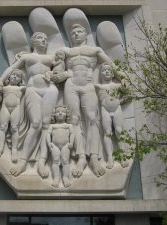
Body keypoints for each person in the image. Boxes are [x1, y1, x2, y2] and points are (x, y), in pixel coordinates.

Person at [51, 24, 121, 177]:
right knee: (74, 120)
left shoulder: (95, 50)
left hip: (88, 84)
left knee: (91, 118)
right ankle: (81, 157)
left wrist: (124, 78)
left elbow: (110, 65)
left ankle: (94, 158)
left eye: (79, 31)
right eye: (73, 33)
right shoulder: (66, 51)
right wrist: (63, 74)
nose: (76, 34)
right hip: (71, 85)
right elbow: (57, 69)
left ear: (85, 34)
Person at [0, 32, 59, 177]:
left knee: (46, 125)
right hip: (33, 89)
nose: (44, 40)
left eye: (45, 38)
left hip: (49, 89)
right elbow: (11, 69)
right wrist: (1, 82)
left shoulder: (51, 58)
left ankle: (42, 162)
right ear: (33, 41)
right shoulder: (26, 56)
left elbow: (61, 70)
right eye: (40, 38)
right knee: (36, 123)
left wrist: (54, 74)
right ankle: (23, 161)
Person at [95, 62, 128, 168]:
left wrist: (122, 79)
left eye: (109, 70)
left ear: (113, 74)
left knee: (119, 131)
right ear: (100, 74)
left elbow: (127, 89)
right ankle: (110, 158)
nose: (107, 71)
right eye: (104, 70)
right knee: (107, 132)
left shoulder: (117, 85)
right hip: (105, 109)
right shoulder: (99, 86)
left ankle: (123, 156)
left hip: (117, 108)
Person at [0, 69, 26, 163]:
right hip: (5, 108)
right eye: (13, 75)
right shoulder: (4, 88)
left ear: (20, 80)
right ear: (9, 76)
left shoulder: (21, 88)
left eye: (18, 76)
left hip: (16, 109)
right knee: (2, 127)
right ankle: (0, 148)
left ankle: (14, 150)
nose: (15, 77)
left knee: (15, 128)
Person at [46, 105, 74, 188]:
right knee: (55, 161)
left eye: (63, 112)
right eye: (58, 112)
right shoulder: (52, 126)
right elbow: (48, 134)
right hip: (54, 146)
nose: (60, 113)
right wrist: (49, 143)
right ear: (54, 115)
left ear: (66, 114)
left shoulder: (69, 126)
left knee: (65, 161)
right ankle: (56, 178)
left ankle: (65, 178)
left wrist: (71, 143)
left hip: (66, 146)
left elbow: (72, 134)